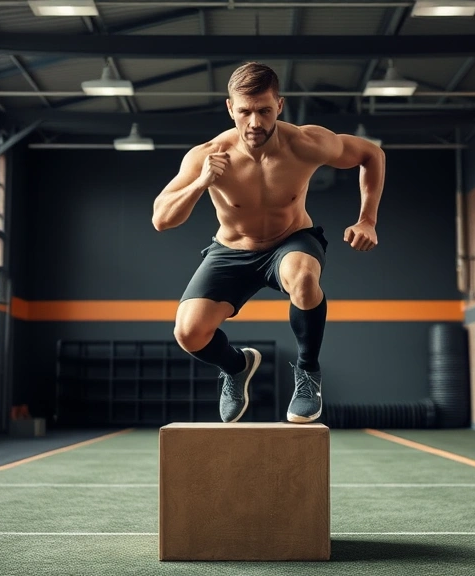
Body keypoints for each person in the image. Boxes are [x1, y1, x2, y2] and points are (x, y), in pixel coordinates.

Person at [151, 62, 385, 424]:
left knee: (304, 279)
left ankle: (307, 374)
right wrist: (200, 183)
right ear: (231, 109)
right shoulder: (206, 155)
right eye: (244, 112)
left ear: (280, 105)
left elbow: (372, 154)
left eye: (263, 110)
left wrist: (367, 218)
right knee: (188, 333)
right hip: (231, 249)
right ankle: (237, 366)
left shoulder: (307, 144)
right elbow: (162, 219)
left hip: (289, 241)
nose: (254, 123)